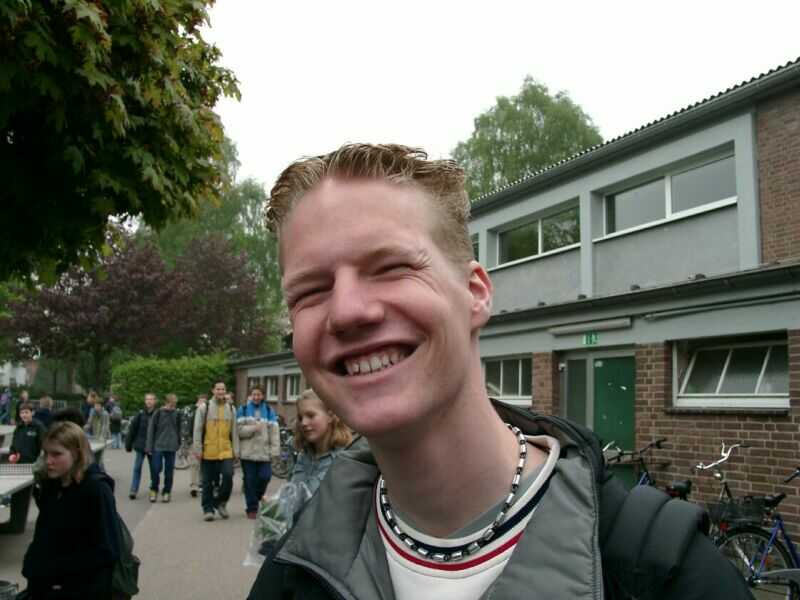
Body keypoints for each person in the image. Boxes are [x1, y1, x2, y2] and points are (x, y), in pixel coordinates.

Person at [248, 144, 752, 600]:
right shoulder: (294, 568)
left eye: (390, 267)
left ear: (476, 294)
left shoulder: (667, 574)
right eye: (310, 291)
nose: (346, 311)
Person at [21, 421, 120, 599]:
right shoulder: (51, 486)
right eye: (46, 453)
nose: (48, 461)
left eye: (56, 454)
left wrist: (56, 570)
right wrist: (31, 565)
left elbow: (107, 550)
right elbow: (43, 535)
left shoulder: (96, 490)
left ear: (76, 453)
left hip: (82, 590)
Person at [288, 389, 352, 497]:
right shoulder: (303, 455)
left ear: (330, 416)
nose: (303, 423)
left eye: (310, 416)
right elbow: (293, 495)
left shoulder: (344, 459)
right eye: (300, 417)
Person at [193, 381, 239, 522]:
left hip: (226, 450)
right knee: (207, 482)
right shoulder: (204, 408)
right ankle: (208, 509)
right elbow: (197, 429)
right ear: (213, 391)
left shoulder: (231, 408)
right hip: (208, 450)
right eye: (218, 389)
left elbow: (234, 431)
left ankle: (221, 502)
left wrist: (236, 451)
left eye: (223, 389)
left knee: (228, 476)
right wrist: (198, 449)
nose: (220, 391)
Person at [236, 385, 279, 519]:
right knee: (249, 480)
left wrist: (275, 451)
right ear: (250, 396)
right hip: (247, 453)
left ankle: (259, 495)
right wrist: (253, 428)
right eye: (254, 394)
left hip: (264, 453)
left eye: (259, 394)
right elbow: (239, 431)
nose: (256, 397)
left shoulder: (269, 410)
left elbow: (274, 433)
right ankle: (252, 508)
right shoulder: (243, 410)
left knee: (265, 477)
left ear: (263, 396)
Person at [146, 392, 181, 503]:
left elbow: (179, 429)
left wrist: (179, 444)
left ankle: (167, 491)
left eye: (174, 404)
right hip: (158, 445)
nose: (173, 407)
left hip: (171, 446)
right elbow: (151, 430)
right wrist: (149, 446)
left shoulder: (177, 413)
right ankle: (154, 489)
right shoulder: (158, 413)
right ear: (166, 403)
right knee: (156, 469)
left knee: (169, 471)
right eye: (171, 404)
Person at [125, 393, 158, 500]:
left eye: (151, 399)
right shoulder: (140, 414)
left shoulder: (158, 414)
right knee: (137, 468)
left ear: (155, 401)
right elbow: (132, 430)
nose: (149, 401)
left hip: (152, 447)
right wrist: (128, 444)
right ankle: (133, 490)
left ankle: (153, 489)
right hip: (140, 446)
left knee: (154, 469)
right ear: (145, 401)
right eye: (147, 399)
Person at [187, 394, 207, 498]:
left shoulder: (208, 413)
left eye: (204, 402)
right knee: (194, 464)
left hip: (206, 442)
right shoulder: (193, 412)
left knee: (204, 464)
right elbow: (189, 427)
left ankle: (201, 483)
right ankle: (193, 486)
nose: (202, 404)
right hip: (195, 442)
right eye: (201, 401)